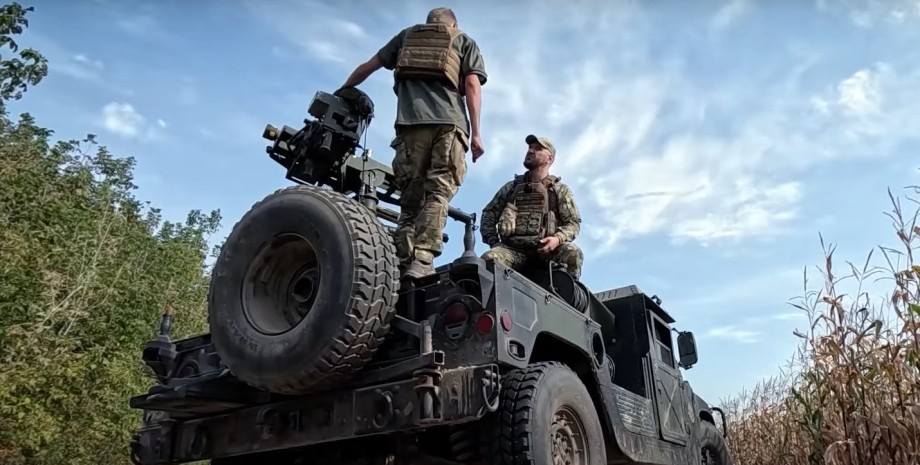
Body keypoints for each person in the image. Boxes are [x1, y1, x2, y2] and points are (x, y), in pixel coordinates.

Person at [339, 7, 487, 279]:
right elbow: (472, 85)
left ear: (428, 22)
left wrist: (344, 90)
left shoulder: (405, 37)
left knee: (409, 203)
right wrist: (476, 133)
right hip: (448, 126)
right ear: (454, 23)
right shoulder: (463, 40)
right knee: (438, 193)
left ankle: (401, 263)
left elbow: (367, 67)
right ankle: (422, 259)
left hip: (409, 127)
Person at [479, 134, 584, 280]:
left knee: (573, 253)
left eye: (538, 148)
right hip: (513, 251)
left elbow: (573, 223)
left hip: (546, 252)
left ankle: (568, 295)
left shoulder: (560, 190)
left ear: (549, 159)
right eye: (530, 147)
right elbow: (488, 214)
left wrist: (557, 239)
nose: (530, 151)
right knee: (489, 259)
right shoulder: (511, 188)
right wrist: (494, 241)